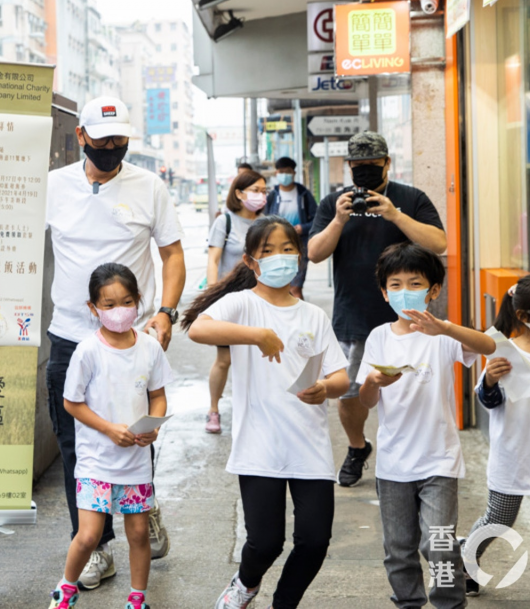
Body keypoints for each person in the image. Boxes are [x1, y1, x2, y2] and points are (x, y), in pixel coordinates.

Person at [45, 96, 185, 588]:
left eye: (119, 139)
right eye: (101, 139)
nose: (111, 147)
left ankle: (143, 506)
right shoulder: (53, 187)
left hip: (132, 340)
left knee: (136, 433)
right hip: (69, 337)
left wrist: (165, 314)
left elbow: (171, 255)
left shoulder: (149, 186)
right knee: (73, 443)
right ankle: (97, 546)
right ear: (80, 137)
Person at [184, 216, 350, 609]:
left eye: (288, 249)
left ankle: (284, 603)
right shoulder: (241, 304)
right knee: (265, 541)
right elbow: (197, 330)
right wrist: (255, 334)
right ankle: (245, 584)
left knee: (314, 540)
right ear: (251, 261)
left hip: (308, 444)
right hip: (259, 444)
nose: (280, 257)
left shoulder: (313, 315)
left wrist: (325, 388)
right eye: (268, 251)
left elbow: (341, 378)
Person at [356, 243, 495, 609]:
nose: (405, 292)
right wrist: (373, 382)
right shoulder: (379, 338)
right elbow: (367, 402)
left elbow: (488, 345)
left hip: (439, 460)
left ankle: (449, 602)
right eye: (396, 285)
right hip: (393, 463)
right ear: (385, 293)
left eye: (414, 283)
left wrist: (446, 327)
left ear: (433, 290)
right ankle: (408, 602)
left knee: (439, 542)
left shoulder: (443, 335)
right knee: (399, 548)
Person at [308, 131, 446, 487]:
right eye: (358, 167)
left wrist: (396, 216)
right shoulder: (334, 203)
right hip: (353, 316)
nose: (365, 172)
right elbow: (314, 253)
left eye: (372, 165)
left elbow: (439, 243)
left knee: (414, 388)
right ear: (350, 167)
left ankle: (415, 453)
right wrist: (339, 220)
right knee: (350, 393)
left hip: (410, 317)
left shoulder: (410, 199)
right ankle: (357, 447)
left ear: (387, 163)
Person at [49, 263, 172, 609]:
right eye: (108, 304)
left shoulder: (150, 348)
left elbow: (158, 394)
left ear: (138, 301)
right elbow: (71, 403)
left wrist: (155, 424)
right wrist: (108, 428)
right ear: (93, 309)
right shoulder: (88, 351)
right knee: (88, 535)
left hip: (135, 460)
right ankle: (65, 590)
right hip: (95, 460)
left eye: (127, 301)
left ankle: (137, 599)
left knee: (137, 533)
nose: (119, 311)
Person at [463, 274, 530, 607]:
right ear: (523, 315)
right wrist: (491, 382)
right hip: (512, 457)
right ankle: (465, 559)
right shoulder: (502, 354)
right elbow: (487, 401)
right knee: (498, 520)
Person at [203, 169, 266, 434]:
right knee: (225, 358)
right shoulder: (224, 222)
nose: (260, 196)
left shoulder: (267, 223)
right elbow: (213, 259)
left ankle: (256, 407)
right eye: (255, 190)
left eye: (264, 191)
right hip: (229, 299)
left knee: (258, 356)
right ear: (239, 193)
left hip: (261, 299)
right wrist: (212, 292)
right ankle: (213, 410)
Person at [265, 157, 317, 300]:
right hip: (275, 248)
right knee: (278, 288)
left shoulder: (303, 194)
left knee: (295, 289)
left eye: (287, 171)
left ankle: (301, 320)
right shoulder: (272, 195)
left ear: (294, 173)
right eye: (281, 171)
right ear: (276, 173)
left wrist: (302, 228)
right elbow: (264, 220)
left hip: (299, 247)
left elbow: (316, 219)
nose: (284, 175)